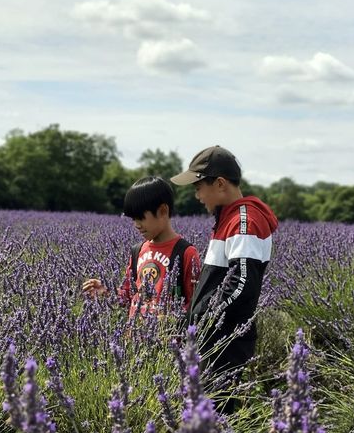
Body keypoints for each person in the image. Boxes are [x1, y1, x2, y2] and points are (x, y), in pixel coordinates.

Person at [171, 145, 278, 378]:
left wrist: (202, 320)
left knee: (216, 411)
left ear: (220, 184)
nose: (197, 197)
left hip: (224, 341)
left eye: (199, 188)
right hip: (213, 336)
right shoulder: (229, 218)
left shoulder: (244, 221)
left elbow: (241, 285)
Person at [83, 176, 200, 318]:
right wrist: (106, 292)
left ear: (163, 211)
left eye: (141, 218)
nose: (137, 225)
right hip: (134, 337)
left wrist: (172, 318)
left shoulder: (186, 253)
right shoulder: (137, 251)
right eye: (134, 219)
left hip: (167, 337)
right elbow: (127, 296)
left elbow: (195, 303)